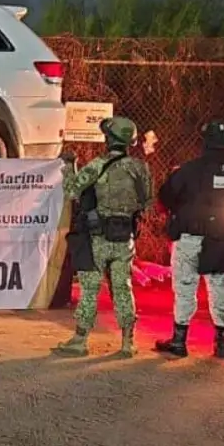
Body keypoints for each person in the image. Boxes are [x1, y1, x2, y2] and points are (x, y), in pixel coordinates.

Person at [53, 116, 154, 358]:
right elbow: (147, 202)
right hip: (125, 238)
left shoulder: (97, 165)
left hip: (98, 238)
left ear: (109, 139)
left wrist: (69, 165)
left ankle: (80, 340)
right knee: (122, 287)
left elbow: (71, 190)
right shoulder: (141, 168)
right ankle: (128, 342)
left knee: (89, 288)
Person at [154, 120, 224, 359]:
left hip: (189, 237)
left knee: (185, 288)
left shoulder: (189, 170)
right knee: (220, 288)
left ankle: (179, 342)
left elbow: (165, 196)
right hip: (221, 238)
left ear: (204, 141)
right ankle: (221, 344)